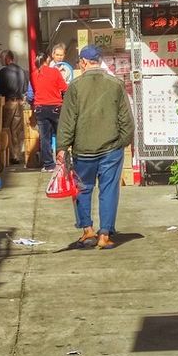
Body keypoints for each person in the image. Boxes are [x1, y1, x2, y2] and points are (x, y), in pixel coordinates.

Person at [56, 45, 134, 250]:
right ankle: (105, 234)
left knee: (82, 189)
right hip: (111, 148)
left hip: (83, 150)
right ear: (99, 62)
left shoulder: (75, 86)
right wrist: (121, 142)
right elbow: (127, 120)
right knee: (108, 190)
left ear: (82, 62)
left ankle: (88, 231)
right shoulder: (115, 84)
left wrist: (63, 147)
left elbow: (67, 121)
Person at [32, 52, 68, 171]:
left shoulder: (34, 74)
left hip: (40, 108)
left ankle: (48, 165)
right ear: (47, 59)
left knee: (44, 137)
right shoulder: (54, 72)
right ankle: (62, 162)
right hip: (55, 107)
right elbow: (64, 88)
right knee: (60, 135)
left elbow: (34, 91)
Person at [0, 50, 28, 166]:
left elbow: (1, 88)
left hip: (9, 103)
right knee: (17, 129)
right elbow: (25, 88)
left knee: (5, 128)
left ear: (7, 58)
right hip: (20, 103)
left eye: (1, 58)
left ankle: (8, 155)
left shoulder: (3, 72)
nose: (0, 60)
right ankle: (17, 155)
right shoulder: (22, 71)